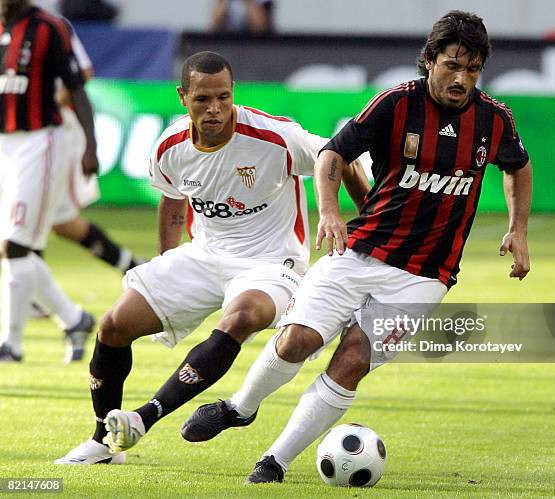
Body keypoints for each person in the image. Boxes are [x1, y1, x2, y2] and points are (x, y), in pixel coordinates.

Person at [180, 10, 533, 484]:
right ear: (429, 61)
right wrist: (328, 211)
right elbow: (331, 154)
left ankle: (274, 462)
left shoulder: (493, 118)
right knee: (297, 341)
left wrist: (519, 228)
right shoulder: (395, 104)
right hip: (360, 250)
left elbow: (517, 165)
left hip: (425, 275)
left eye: (472, 69)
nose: (461, 78)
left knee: (352, 359)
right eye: (452, 65)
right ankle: (240, 408)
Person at [55, 51, 369, 464]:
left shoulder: (276, 137)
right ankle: (102, 442)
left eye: (223, 97)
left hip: (273, 263)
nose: (215, 109)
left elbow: (337, 155)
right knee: (114, 325)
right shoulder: (170, 147)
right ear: (183, 97)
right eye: (203, 99)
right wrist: (165, 270)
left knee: (239, 318)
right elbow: (171, 206)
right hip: (205, 256)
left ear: (233, 92)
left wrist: (366, 221)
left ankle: (143, 418)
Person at [0, 0, 99, 363]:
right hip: (3, 144)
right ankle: (75, 319)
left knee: (17, 245)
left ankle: (10, 344)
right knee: (11, 247)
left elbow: (77, 85)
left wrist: (91, 144)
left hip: (39, 142)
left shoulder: (48, 28)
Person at [50, 27, 145, 274]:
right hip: (13, 136)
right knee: (59, 221)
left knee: (38, 218)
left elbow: (82, 71)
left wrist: (45, 104)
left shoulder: (50, 26)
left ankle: (31, 292)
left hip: (49, 134)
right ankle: (131, 266)